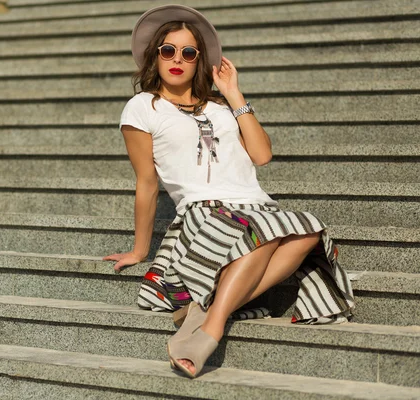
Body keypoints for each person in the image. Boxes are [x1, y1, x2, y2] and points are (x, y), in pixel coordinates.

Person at [103, 5, 355, 379]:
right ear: (154, 55)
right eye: (168, 50)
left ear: (199, 60)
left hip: (253, 205)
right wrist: (141, 250)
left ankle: (205, 308)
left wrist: (234, 94)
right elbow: (147, 181)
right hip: (203, 211)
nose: (177, 59)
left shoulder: (222, 107)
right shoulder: (143, 107)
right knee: (261, 234)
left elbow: (262, 154)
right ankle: (213, 327)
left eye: (189, 53)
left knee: (308, 230)